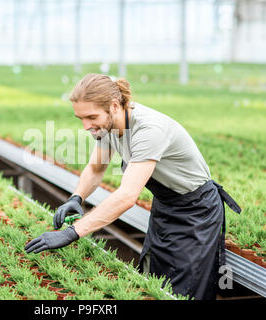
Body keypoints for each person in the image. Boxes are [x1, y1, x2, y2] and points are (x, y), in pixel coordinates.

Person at [25, 73, 241, 300]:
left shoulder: (148, 131)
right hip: (165, 206)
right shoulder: (106, 126)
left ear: (114, 106)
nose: (86, 126)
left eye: (91, 116)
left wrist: (73, 232)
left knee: (186, 290)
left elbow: (127, 195)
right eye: (80, 118)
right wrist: (76, 198)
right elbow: (96, 168)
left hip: (196, 212)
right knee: (156, 284)